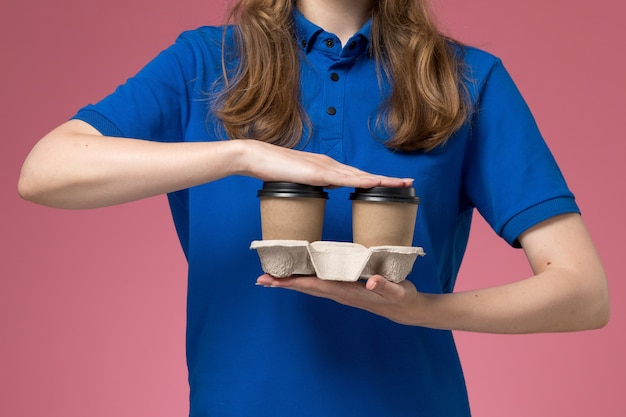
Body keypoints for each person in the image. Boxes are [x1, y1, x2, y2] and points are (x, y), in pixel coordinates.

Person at [18, 0, 609, 415]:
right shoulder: (206, 62)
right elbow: (46, 171)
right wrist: (242, 154)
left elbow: (582, 292)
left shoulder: (464, 78)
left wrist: (421, 309)